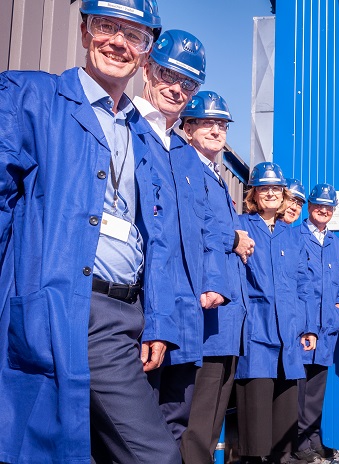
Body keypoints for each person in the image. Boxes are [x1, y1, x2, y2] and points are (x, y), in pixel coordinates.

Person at [0, 1, 183, 462]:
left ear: (145, 53)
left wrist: (157, 320)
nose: (119, 42)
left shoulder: (145, 135)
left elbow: (158, 239)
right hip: (65, 309)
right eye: (107, 26)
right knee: (154, 454)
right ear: (84, 32)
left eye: (134, 35)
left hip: (128, 316)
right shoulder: (32, 98)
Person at [133, 29, 230, 443]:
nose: (176, 88)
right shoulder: (127, 128)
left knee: (176, 420)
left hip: (187, 309)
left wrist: (213, 280)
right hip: (140, 307)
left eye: (188, 82)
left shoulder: (185, 155)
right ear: (147, 70)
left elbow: (209, 228)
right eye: (167, 75)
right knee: (135, 424)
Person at [179, 90, 254, 463]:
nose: (216, 130)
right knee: (199, 415)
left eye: (222, 124)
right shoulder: (184, 165)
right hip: (207, 313)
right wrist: (234, 236)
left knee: (213, 415)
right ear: (188, 127)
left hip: (226, 317)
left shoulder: (216, 175)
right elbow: (195, 228)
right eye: (207, 122)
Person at [235, 162, 318, 464]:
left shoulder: (294, 236)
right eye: (263, 188)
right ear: (254, 194)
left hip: (289, 335)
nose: (270, 193)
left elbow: (304, 284)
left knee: (284, 426)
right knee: (255, 428)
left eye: (276, 189)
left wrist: (308, 327)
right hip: (255, 333)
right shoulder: (240, 226)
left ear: (284, 195)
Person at [292, 183, 339, 463]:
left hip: (328, 326)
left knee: (316, 387)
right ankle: (298, 441)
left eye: (329, 207)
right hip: (304, 325)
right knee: (300, 386)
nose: (323, 210)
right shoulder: (295, 237)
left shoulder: (336, 243)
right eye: (318, 206)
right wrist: (305, 324)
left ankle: (313, 438)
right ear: (309, 207)